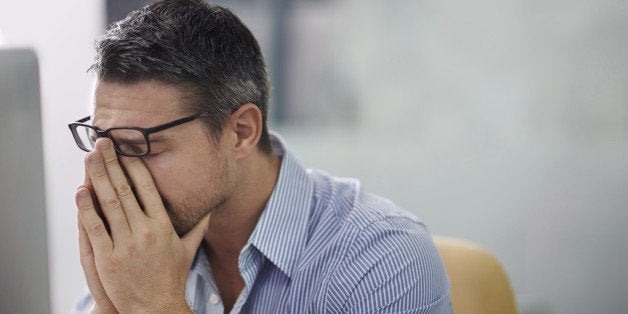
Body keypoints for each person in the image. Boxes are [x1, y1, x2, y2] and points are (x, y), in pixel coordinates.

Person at [69, 0, 452, 313]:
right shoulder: (145, 251)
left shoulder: (383, 260)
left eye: (140, 146)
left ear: (241, 133)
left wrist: (156, 307)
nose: (113, 174)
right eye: (101, 142)